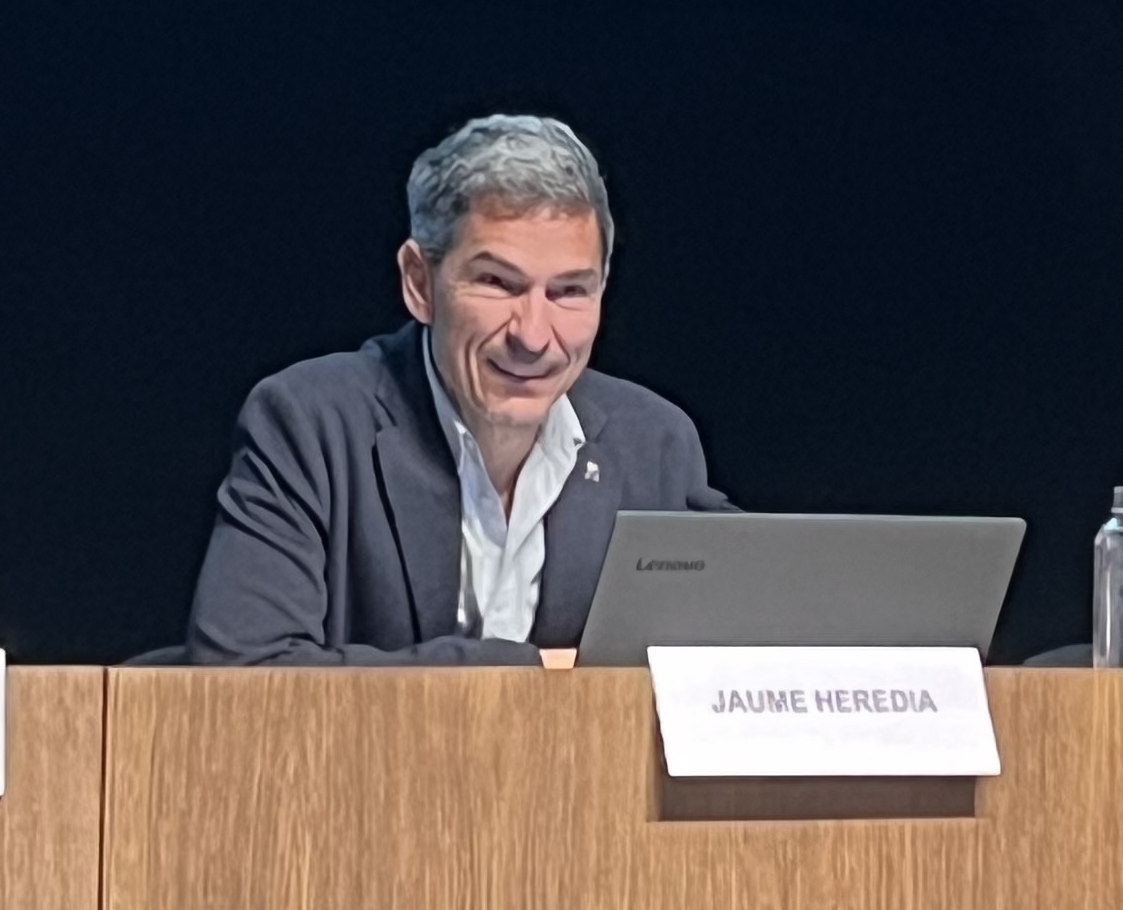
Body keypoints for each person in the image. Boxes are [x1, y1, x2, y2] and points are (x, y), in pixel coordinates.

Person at [187, 113, 727, 663]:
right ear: (419, 283)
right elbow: (245, 675)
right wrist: (538, 672)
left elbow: (736, 660)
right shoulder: (309, 423)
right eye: (497, 283)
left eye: (569, 292)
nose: (533, 336)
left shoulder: (655, 445)